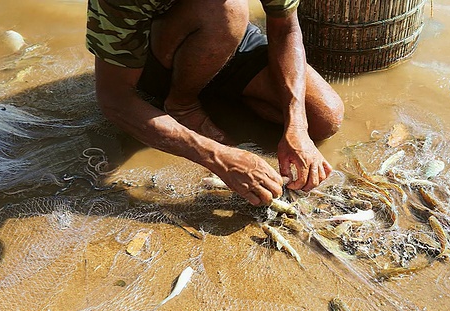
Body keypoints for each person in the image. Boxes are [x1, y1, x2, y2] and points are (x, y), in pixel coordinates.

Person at [86, 0, 344, 206]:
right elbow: (114, 97)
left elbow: (286, 28)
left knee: (324, 117)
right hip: (158, 52)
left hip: (229, 33)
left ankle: (213, 91)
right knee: (227, 8)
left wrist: (296, 126)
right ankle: (181, 106)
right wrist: (218, 158)